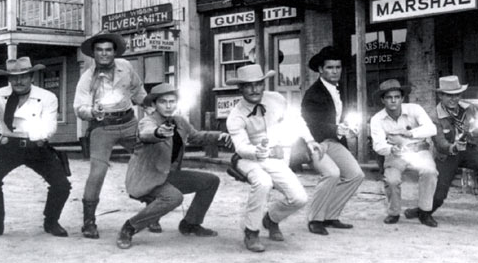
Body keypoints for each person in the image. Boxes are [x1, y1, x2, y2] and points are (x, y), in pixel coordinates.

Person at [115, 83, 231, 249]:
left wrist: (220, 136)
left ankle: (190, 224)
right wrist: (158, 133)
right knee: (174, 197)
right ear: (154, 104)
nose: (169, 106)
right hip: (147, 177)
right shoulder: (147, 122)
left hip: (167, 175)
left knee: (211, 180)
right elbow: (146, 133)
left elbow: (196, 136)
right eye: (163, 102)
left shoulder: (179, 121)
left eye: (172, 101)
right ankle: (129, 227)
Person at [226, 64, 323, 252]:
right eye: (248, 85)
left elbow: (296, 119)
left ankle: (271, 219)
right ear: (240, 88)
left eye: (258, 84)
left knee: (299, 198)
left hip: (276, 157)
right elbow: (241, 147)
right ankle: (251, 231)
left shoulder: (277, 99)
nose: (254, 89)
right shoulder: (235, 116)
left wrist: (310, 140)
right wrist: (259, 151)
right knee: (263, 183)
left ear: (264, 84)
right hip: (248, 158)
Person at [0, 57, 71, 239]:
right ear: (8, 79)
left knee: (62, 185)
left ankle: (51, 221)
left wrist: (36, 136)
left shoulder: (47, 97)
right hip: (7, 146)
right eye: (13, 78)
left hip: (36, 146)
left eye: (23, 76)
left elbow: (49, 126)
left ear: (31, 76)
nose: (18, 81)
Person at [405, 75, 478, 226]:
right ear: (440, 96)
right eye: (448, 95)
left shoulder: (469, 108)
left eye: (457, 95)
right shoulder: (434, 117)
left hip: (468, 149)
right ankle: (424, 211)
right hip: (447, 154)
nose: (453, 99)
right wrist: (451, 147)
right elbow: (439, 143)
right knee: (439, 190)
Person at [73, 30, 147, 239]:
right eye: (99, 50)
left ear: (114, 52)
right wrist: (91, 112)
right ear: (93, 54)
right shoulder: (87, 78)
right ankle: (89, 222)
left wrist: (152, 106)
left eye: (108, 50)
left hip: (128, 122)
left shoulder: (126, 67)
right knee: (97, 172)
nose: (104, 54)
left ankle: (152, 211)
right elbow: (79, 107)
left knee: (148, 159)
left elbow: (138, 90)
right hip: (102, 126)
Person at [300, 46, 365, 235]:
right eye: (330, 68)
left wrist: (347, 128)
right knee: (332, 174)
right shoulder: (313, 94)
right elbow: (312, 123)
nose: (335, 71)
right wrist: (336, 129)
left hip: (333, 141)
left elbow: (338, 118)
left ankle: (330, 215)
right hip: (315, 142)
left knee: (356, 174)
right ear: (320, 69)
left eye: (338, 67)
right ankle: (314, 219)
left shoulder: (339, 90)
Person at [369, 79, 439, 227]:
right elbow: (378, 144)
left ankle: (425, 212)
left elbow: (432, 129)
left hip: (418, 149)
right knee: (392, 180)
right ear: (383, 100)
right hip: (395, 153)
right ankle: (394, 212)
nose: (393, 100)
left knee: (430, 172)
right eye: (388, 97)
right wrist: (390, 149)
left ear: (402, 98)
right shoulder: (377, 119)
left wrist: (409, 133)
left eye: (396, 97)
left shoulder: (414, 109)